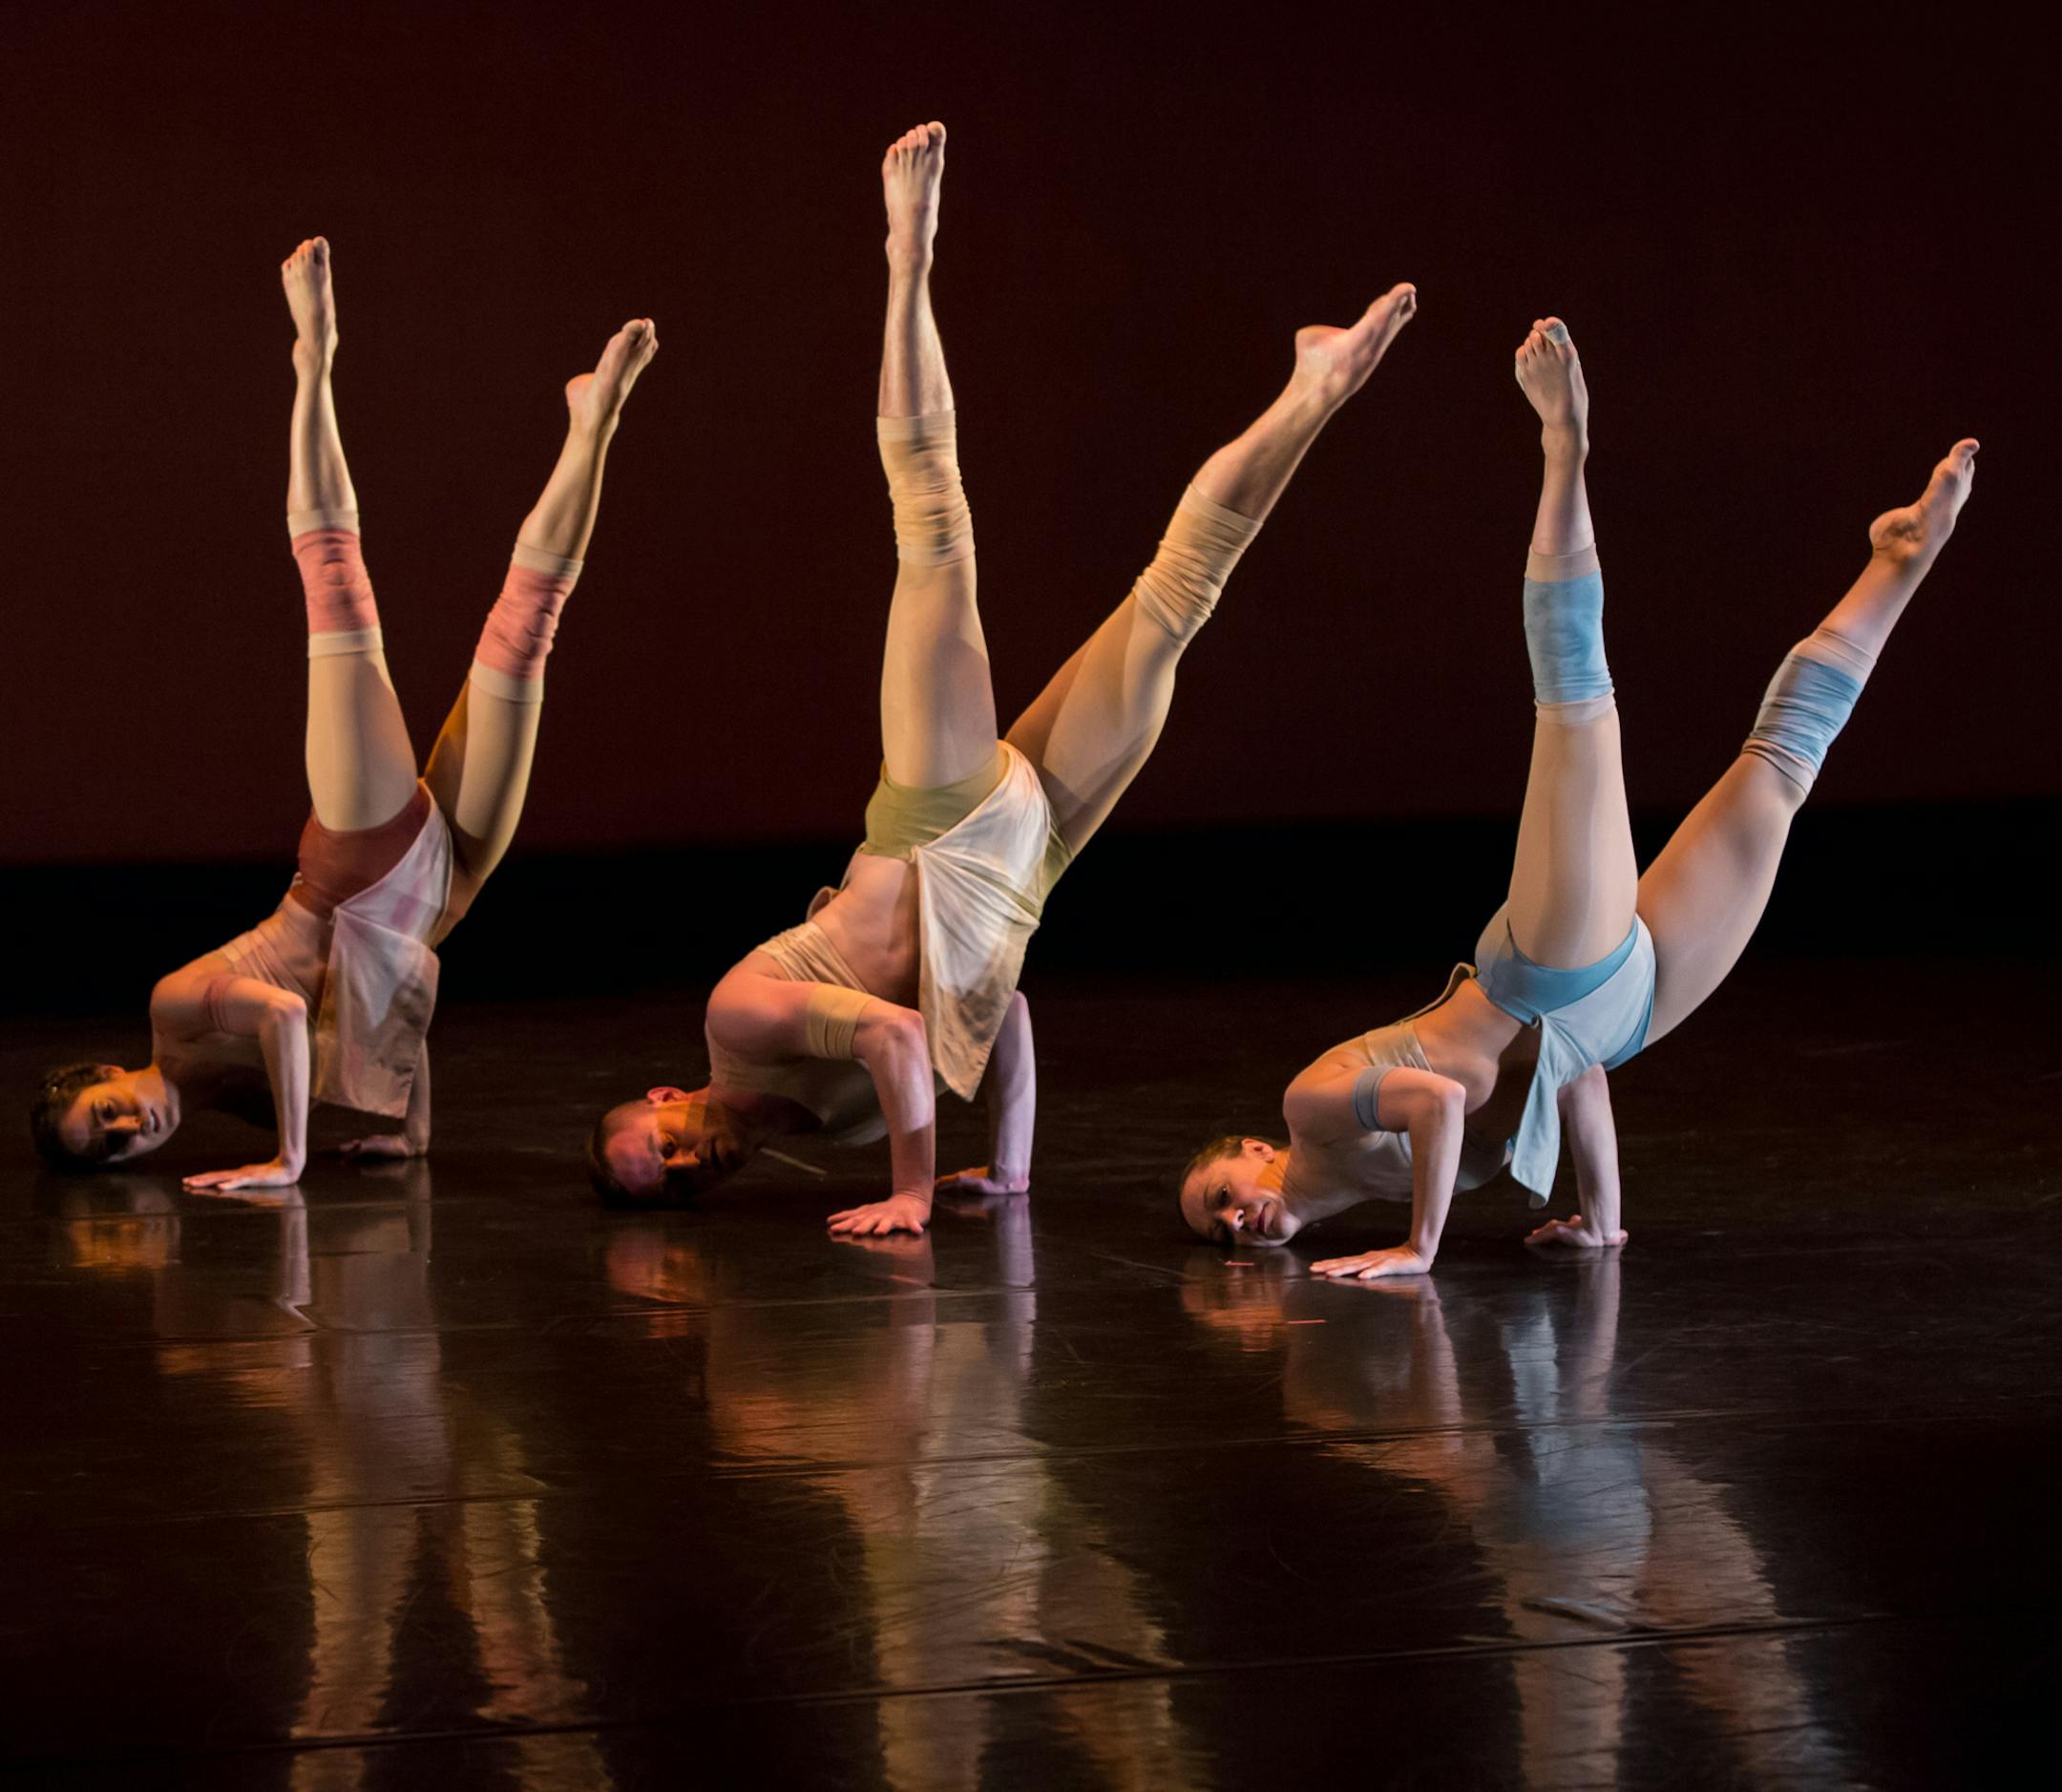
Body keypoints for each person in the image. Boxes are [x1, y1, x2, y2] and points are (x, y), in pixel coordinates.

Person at [588, 121, 1418, 1232]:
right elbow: (1000, 1012)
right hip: (1024, 869)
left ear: (664, 1096)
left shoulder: (738, 1016)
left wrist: (915, 1190)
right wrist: (1013, 1167)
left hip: (932, 819)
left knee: (933, 522)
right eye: (682, 1185)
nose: (694, 1165)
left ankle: (908, 251)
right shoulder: (821, 1128)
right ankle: (1319, 386)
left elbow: (892, 1033)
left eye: (668, 1147)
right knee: (1181, 598)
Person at [1177, 316, 1978, 1275]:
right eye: (1217, 1227)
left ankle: (1564, 446)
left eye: (1223, 1193)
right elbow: (1579, 1080)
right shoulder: (1360, 1182)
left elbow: (1438, 1100)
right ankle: (1901, 561)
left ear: (1257, 1152)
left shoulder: (1312, 1106)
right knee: (1784, 764)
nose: (1235, 1219)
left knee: (1576, 701)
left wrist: (1418, 1247)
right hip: (1627, 1011)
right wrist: (1601, 1220)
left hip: (1544, 966)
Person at [29, 237, 658, 1190]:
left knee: (336, 587)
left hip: (353, 867)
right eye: (117, 1145)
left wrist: (289, 1156)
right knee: (529, 627)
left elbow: (287, 1014)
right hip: (443, 892)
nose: (132, 1128)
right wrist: (412, 1129)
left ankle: (314, 354)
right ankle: (596, 422)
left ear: (110, 1073)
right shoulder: (233, 1098)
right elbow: (384, 1003)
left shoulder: (174, 1007)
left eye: (106, 1112)